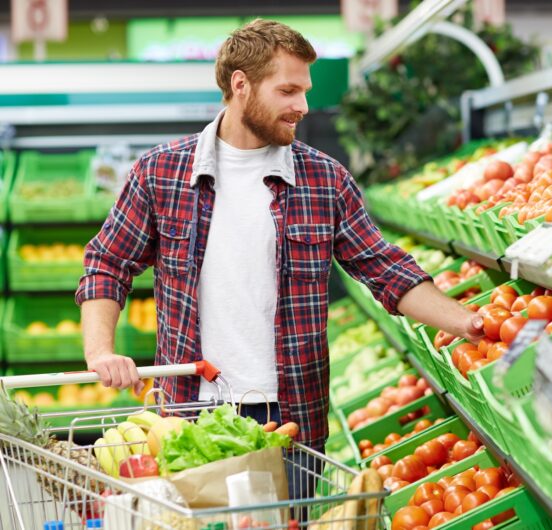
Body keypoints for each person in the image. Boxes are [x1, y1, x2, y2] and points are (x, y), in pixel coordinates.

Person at [76, 19, 484, 454]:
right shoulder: (161, 172)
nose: (303, 106)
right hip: (189, 413)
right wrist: (100, 351)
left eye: (304, 91)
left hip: (290, 419)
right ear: (241, 85)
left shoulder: (324, 179)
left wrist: (470, 323)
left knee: (290, 523)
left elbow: (385, 270)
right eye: (288, 91)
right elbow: (108, 262)